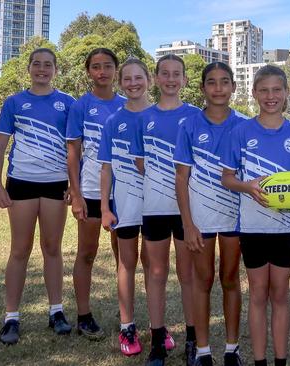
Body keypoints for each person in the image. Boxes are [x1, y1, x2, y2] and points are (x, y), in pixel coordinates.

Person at [220, 64, 290, 366]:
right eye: (264, 90)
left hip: (285, 228)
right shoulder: (240, 132)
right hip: (253, 227)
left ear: (286, 93)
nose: (271, 96)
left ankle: (280, 360)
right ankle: (259, 360)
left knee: (280, 294)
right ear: (254, 93)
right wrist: (248, 187)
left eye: (277, 90)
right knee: (258, 294)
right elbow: (227, 177)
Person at [0, 48, 75, 345]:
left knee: (52, 248)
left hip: (55, 184)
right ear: (29, 69)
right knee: (20, 249)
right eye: (37, 64)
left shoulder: (68, 103)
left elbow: (76, 148)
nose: (42, 69)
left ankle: (57, 312)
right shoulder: (14, 102)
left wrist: (74, 186)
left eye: (48, 65)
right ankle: (11, 317)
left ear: (55, 70)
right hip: (22, 183)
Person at [173, 62, 246, 366]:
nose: (218, 88)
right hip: (200, 218)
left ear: (233, 87)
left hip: (234, 217)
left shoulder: (244, 124)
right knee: (202, 281)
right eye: (212, 83)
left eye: (224, 82)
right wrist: (188, 224)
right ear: (202, 88)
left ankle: (232, 349)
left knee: (230, 279)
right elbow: (181, 178)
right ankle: (202, 351)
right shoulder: (189, 125)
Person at [129, 54, 199, 366]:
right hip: (155, 208)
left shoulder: (197, 116)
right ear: (156, 79)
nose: (171, 79)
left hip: (189, 211)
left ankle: (194, 340)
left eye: (177, 74)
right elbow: (140, 163)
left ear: (185, 80)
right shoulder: (143, 118)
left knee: (188, 275)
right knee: (155, 274)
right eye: (165, 74)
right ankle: (158, 340)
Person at [66, 48, 125, 339]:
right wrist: (75, 194)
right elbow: (73, 152)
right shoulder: (80, 106)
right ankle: (84, 315)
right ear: (89, 71)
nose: (102, 72)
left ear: (116, 70)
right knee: (87, 254)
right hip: (90, 189)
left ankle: (125, 314)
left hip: (125, 192)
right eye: (96, 67)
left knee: (124, 258)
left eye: (107, 66)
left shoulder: (129, 104)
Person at [98, 58, 152, 356]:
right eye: (127, 79)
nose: (133, 83)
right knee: (126, 263)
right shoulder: (113, 121)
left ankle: (158, 325)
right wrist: (105, 207)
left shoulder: (162, 116)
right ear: (121, 84)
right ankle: (127, 326)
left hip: (158, 205)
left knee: (155, 267)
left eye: (138, 78)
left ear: (149, 80)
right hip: (126, 204)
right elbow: (105, 169)